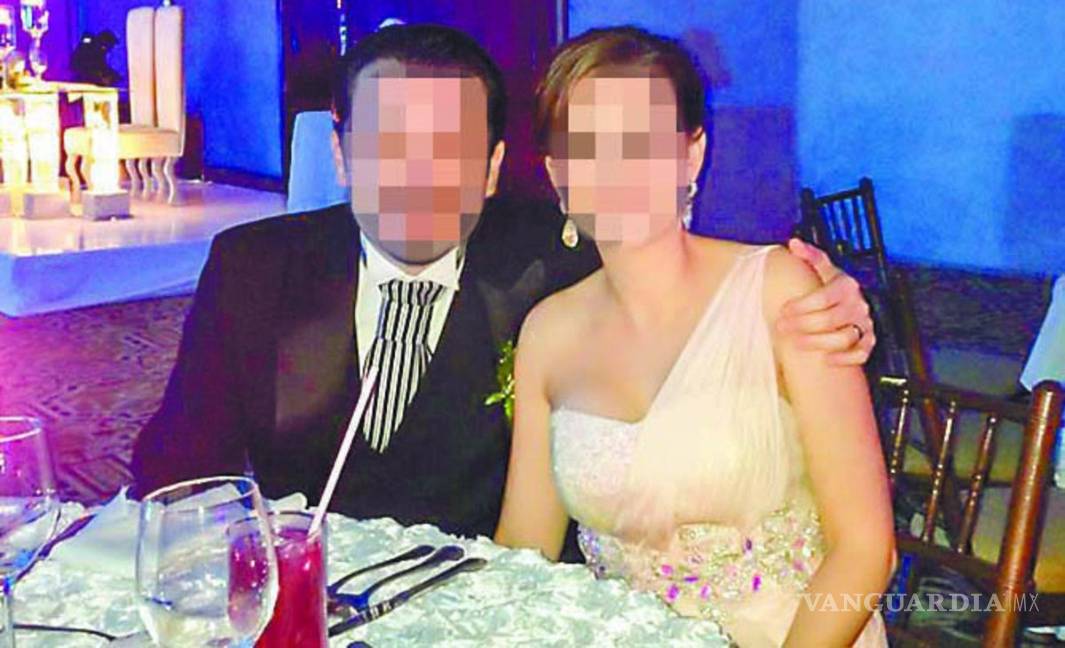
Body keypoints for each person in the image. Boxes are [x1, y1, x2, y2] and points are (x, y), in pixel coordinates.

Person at [132, 24, 875, 548]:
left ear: (491, 168)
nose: (417, 177)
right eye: (387, 144)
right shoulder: (254, 266)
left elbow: (690, 273)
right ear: (341, 153)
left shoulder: (560, 259)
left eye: (449, 148)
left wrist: (833, 301)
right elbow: (175, 472)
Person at [495, 27, 893, 646]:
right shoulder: (547, 332)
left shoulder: (780, 293)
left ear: (691, 155)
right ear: (557, 174)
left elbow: (866, 551)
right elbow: (525, 554)